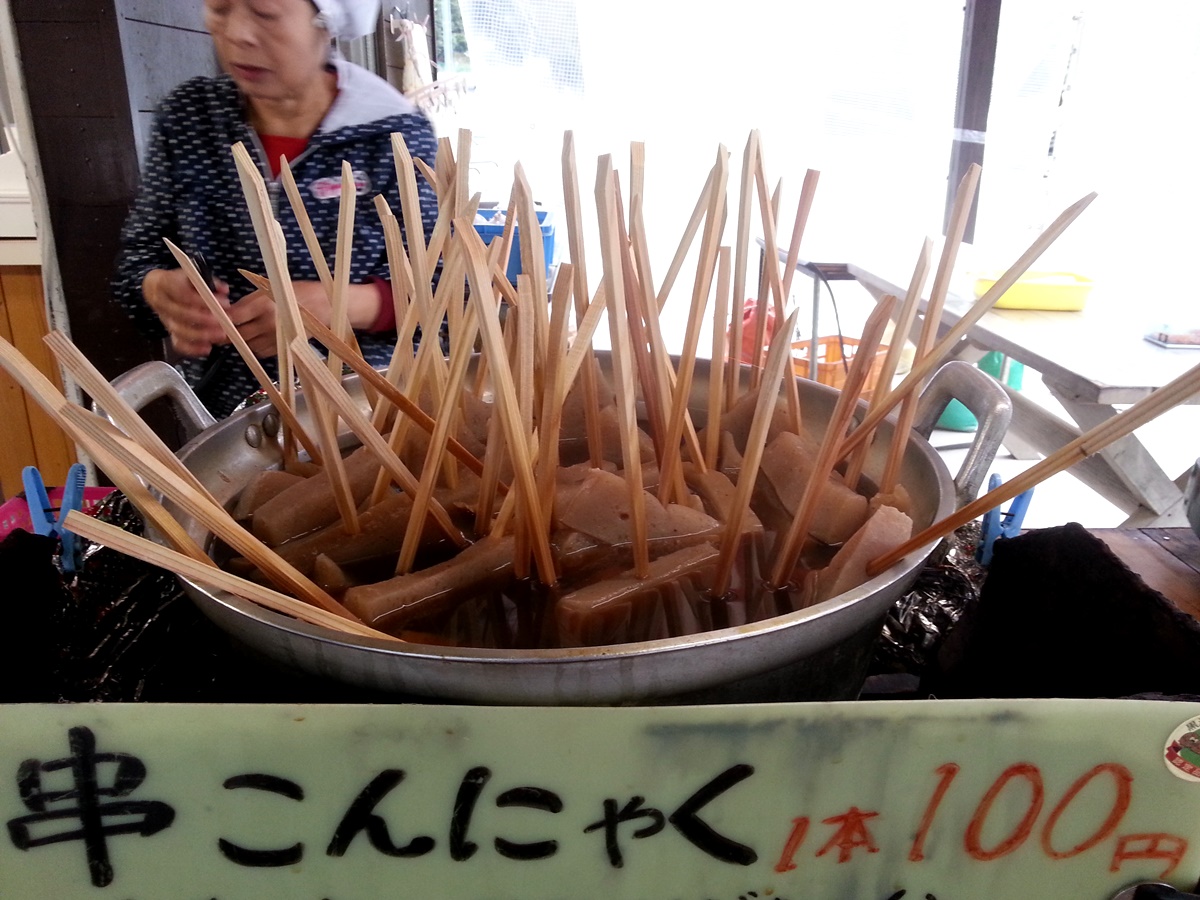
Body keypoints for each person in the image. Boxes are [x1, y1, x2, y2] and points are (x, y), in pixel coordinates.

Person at [112, 0, 439, 418]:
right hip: (231, 420)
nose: (237, 34)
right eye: (219, 8)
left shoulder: (393, 134)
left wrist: (331, 308)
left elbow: (444, 293)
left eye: (265, 12)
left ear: (326, 23)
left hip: (368, 409)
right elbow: (137, 262)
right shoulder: (190, 120)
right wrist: (158, 290)